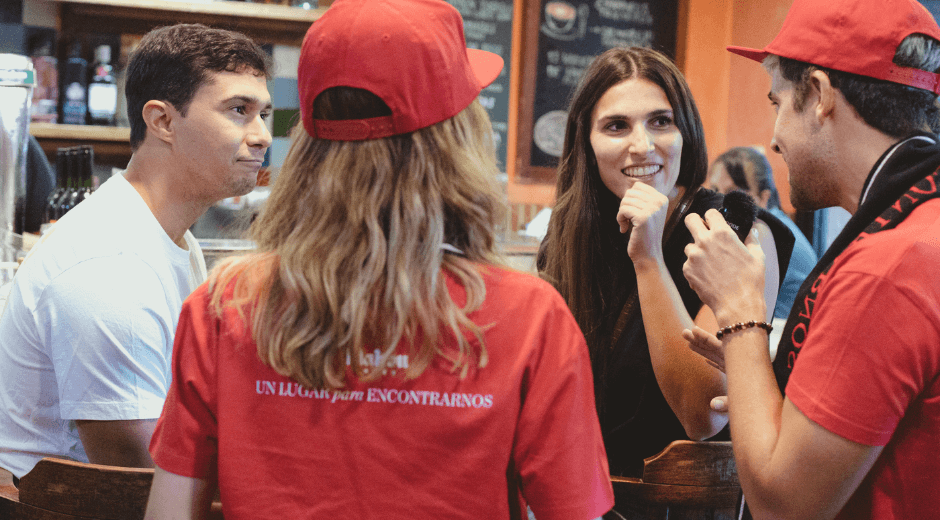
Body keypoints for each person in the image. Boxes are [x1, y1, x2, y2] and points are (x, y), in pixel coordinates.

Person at [143, 1, 614, 519]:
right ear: (457, 139)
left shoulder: (221, 306)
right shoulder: (530, 318)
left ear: (308, 143)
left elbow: (169, 513)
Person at [682, 0, 940, 518]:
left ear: (819, 95)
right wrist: (766, 378)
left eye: (777, 102)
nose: (773, 138)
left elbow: (782, 506)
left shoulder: (884, 270)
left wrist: (739, 313)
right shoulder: (922, 227)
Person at [0, 23, 272, 480]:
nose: (262, 135)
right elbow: (139, 475)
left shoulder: (167, 235)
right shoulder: (112, 268)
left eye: (263, 113)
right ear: (162, 121)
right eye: (239, 110)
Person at [536, 46, 792, 486]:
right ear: (586, 143)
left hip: (676, 504)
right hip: (582, 493)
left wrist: (648, 258)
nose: (642, 145)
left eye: (660, 122)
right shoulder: (569, 234)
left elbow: (702, 414)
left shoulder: (735, 231)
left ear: (685, 133)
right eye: (616, 126)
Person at [709, 146, 817, 321]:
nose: (721, 205)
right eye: (715, 190)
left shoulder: (768, 235)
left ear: (763, 198)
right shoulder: (768, 225)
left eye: (734, 194)